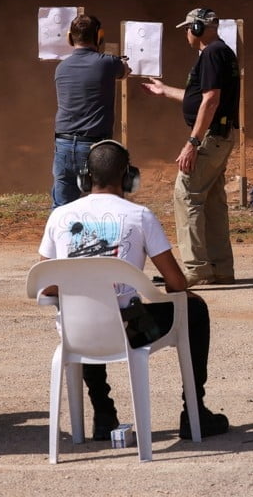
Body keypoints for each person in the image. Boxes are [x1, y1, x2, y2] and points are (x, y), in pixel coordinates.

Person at [38, 140, 230, 440]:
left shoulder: (59, 216)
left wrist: (85, 287)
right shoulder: (139, 216)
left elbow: (46, 283)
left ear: (85, 178)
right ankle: (194, 412)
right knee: (195, 309)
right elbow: (177, 283)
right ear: (128, 177)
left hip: (76, 332)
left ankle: (103, 414)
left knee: (87, 308)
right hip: (131, 329)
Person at [142, 8, 240, 287]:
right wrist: (165, 91)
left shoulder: (210, 54)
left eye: (188, 27)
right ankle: (220, 268)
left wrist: (193, 142)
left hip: (210, 135)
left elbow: (210, 100)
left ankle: (195, 269)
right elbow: (199, 97)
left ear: (198, 28)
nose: (186, 33)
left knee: (186, 195)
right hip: (222, 133)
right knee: (211, 200)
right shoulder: (223, 52)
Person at [51, 14, 130, 207]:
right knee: (102, 205)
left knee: (61, 207)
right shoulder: (108, 63)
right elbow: (125, 71)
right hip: (95, 148)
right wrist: (116, 60)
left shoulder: (61, 67)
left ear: (70, 38)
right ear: (99, 37)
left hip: (63, 144)